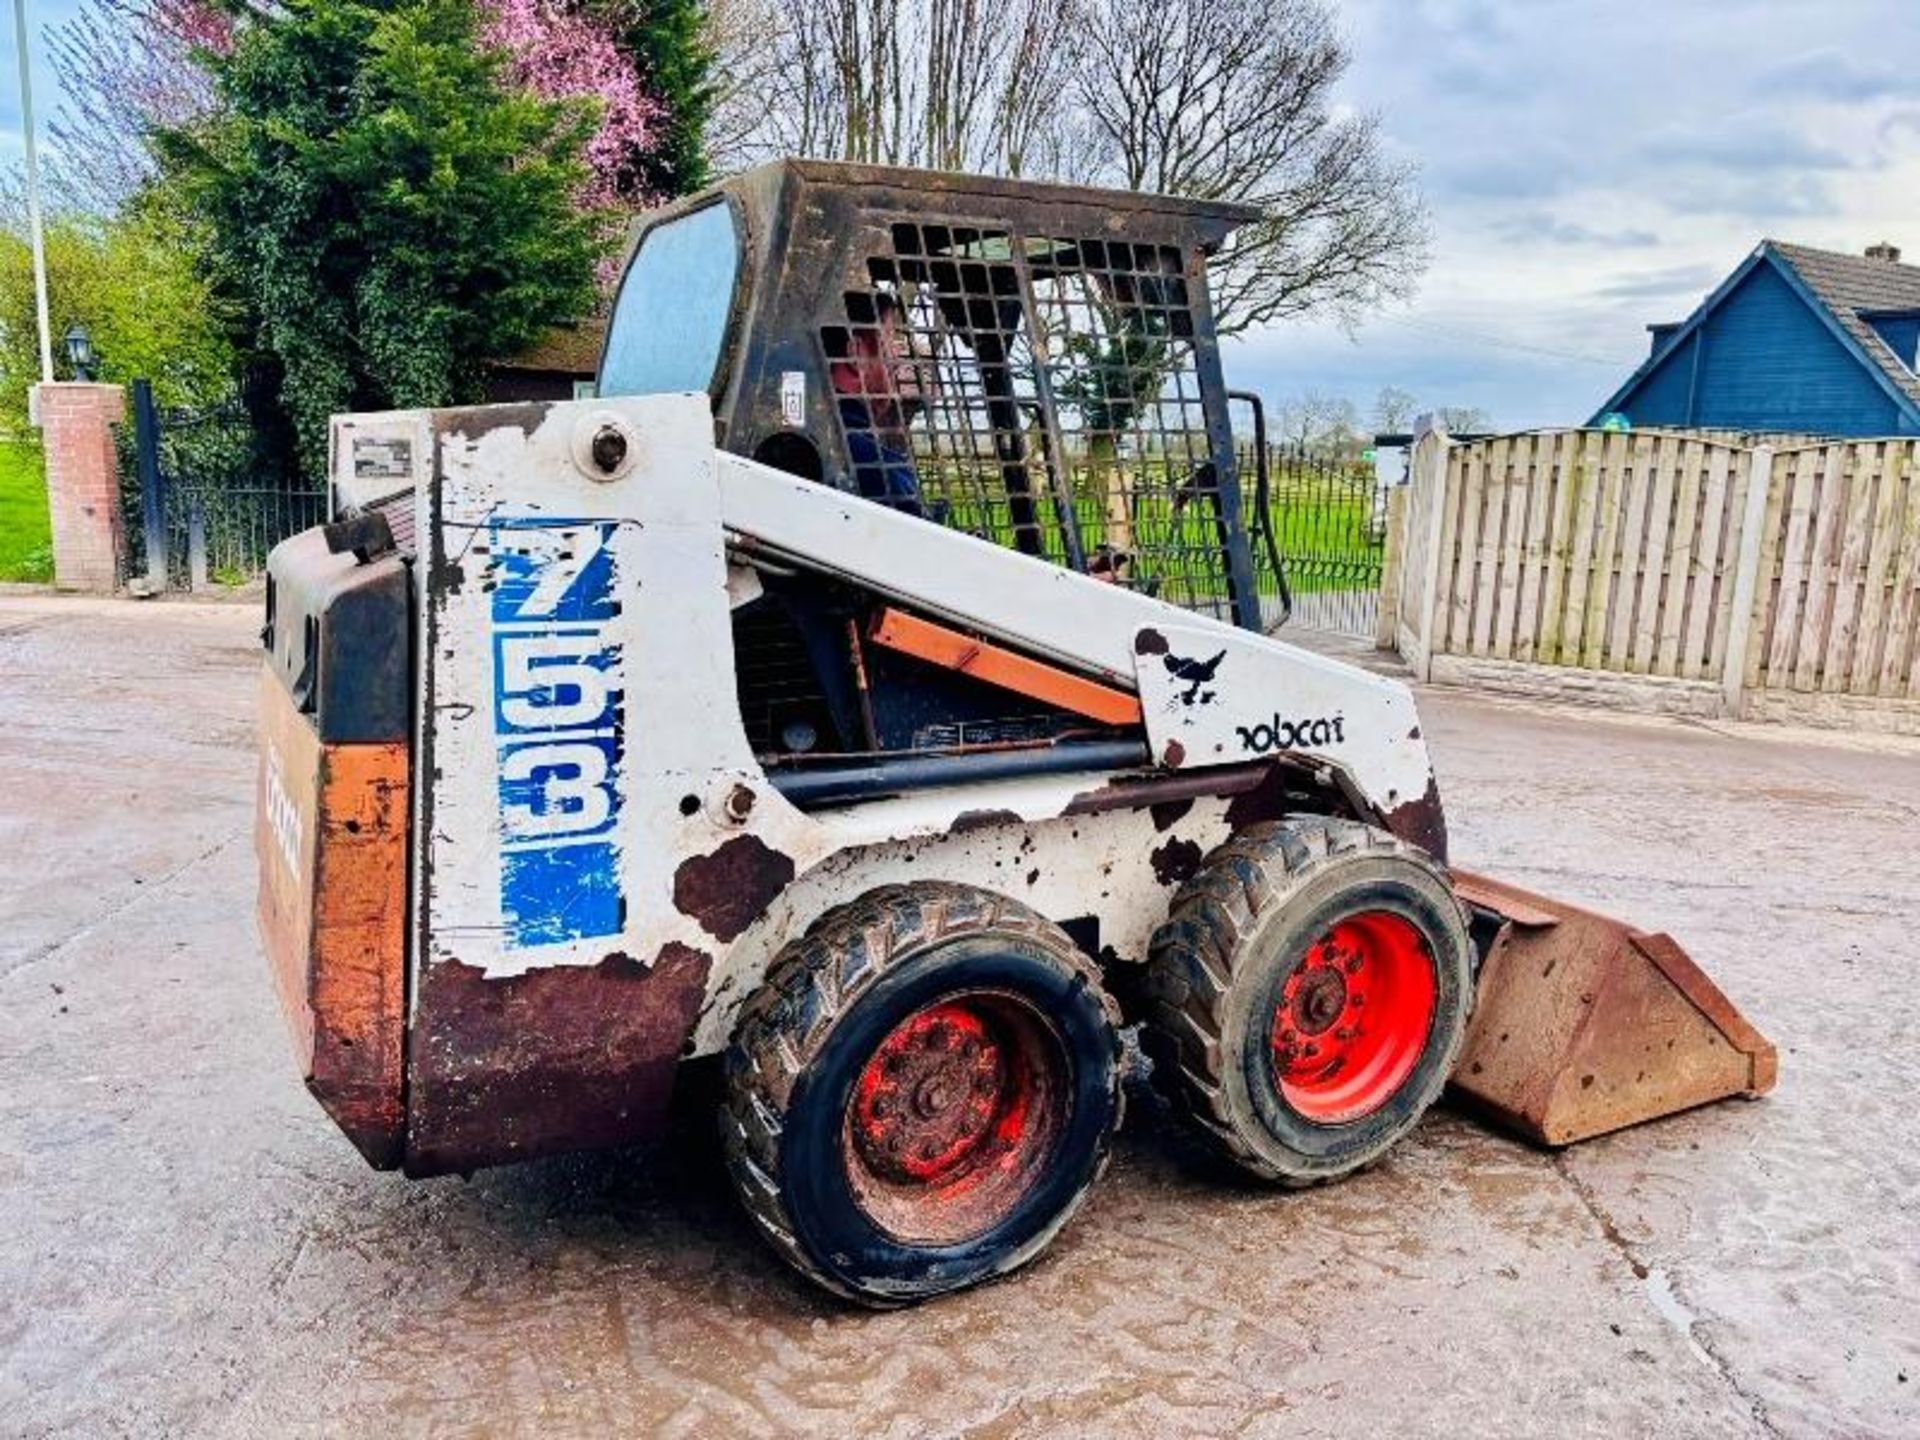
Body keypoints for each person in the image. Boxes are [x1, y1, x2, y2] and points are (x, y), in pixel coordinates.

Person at [826, 292, 927, 516]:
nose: (897, 357)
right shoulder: (880, 468)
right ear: (856, 352)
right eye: (889, 339)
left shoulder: (829, 435)